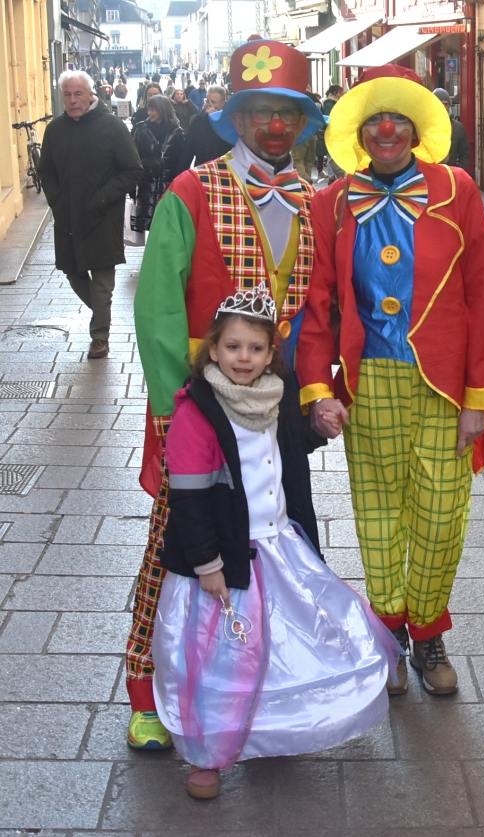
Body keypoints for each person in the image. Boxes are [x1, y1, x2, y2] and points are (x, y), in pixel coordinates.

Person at [125, 39, 326, 750]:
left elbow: (319, 310)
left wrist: (312, 398)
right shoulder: (191, 190)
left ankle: (272, 683)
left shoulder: (312, 201)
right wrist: (167, 409)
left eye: (287, 113)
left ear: (303, 124)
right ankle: (147, 691)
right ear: (236, 118)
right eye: (260, 111)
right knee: (173, 543)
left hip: (275, 409)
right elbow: (156, 308)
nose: (274, 126)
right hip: (200, 404)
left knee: (280, 541)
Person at [296, 65, 484, 695]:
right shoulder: (331, 202)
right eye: (375, 120)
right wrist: (317, 388)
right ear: (360, 132)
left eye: (398, 119)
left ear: (417, 127)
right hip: (370, 384)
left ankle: (429, 630)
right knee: (378, 514)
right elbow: (317, 304)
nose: (387, 130)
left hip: (445, 385)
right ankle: (391, 632)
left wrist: (483, 396)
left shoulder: (458, 190)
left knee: (443, 514)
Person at [152, 285, 400, 799]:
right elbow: (191, 503)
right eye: (233, 347)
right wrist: (207, 565)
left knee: (286, 645)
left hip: (277, 547)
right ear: (213, 350)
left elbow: (289, 445)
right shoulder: (196, 412)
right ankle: (207, 757)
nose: (245, 359)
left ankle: (271, 731)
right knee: (223, 661)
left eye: (256, 349)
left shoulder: (274, 395)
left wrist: (318, 428)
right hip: (223, 560)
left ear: (271, 354)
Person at [38, 70, 142, 360]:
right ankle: (102, 314)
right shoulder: (55, 129)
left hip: (103, 218)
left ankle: (100, 337)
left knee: (102, 282)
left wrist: (103, 197)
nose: (73, 100)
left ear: (90, 93)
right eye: (68, 95)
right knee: (73, 273)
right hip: (68, 218)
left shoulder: (112, 126)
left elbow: (133, 170)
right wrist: (56, 200)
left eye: (78, 94)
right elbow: (45, 170)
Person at [131, 94, 185, 231]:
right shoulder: (141, 130)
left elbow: (181, 160)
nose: (149, 113)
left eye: (153, 110)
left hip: (169, 186)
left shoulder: (177, 132)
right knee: (148, 228)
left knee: (168, 227)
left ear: (162, 110)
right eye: (149, 109)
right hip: (146, 186)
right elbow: (133, 158)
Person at [175, 85, 231, 174]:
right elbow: (188, 151)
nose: (209, 105)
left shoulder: (229, 122)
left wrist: (214, 118)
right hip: (202, 171)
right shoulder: (198, 120)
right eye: (207, 101)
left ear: (223, 104)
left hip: (224, 172)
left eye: (213, 102)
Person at [432, 88, 471, 171]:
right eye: (439, 104)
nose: (443, 107)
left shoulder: (458, 127)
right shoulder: (425, 127)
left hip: (451, 175)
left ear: (449, 105)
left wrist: (458, 171)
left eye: (445, 104)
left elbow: (465, 154)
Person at [316, 84, 342, 178]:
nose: (340, 95)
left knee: (332, 154)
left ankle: (332, 175)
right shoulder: (329, 103)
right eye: (339, 92)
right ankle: (332, 176)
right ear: (334, 92)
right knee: (332, 154)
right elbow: (328, 118)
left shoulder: (330, 102)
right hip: (332, 132)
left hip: (333, 131)